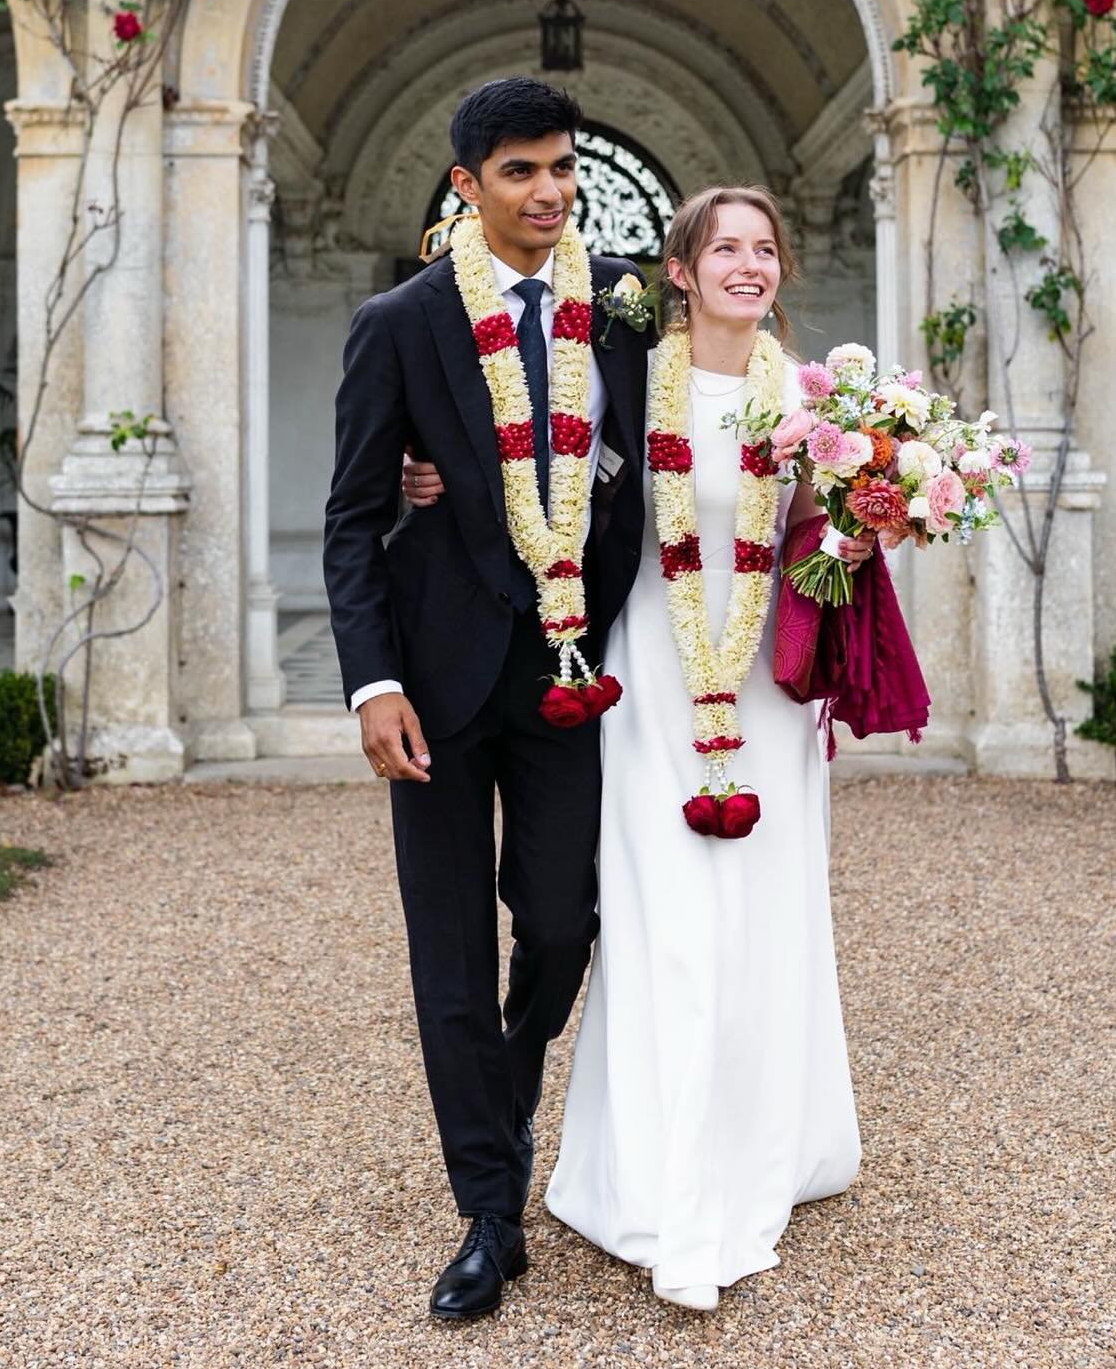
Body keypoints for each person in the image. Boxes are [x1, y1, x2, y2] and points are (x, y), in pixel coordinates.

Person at [403, 186, 870, 1314]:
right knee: (660, 913)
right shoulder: (623, 373)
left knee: (761, 911)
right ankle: (654, 1174)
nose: (748, 266)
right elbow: (522, 427)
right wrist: (428, 472)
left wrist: (863, 529)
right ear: (679, 269)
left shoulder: (819, 403)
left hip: (759, 680)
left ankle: (765, 1142)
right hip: (654, 678)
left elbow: (835, 531)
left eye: (766, 248)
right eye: (726, 248)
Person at [323, 77, 649, 1321]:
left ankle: (501, 1104)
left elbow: (685, 421)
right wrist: (373, 684)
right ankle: (486, 1212)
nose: (549, 190)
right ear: (467, 184)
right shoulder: (400, 322)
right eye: (519, 170)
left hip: (572, 669)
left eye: (561, 166)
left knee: (563, 923)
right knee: (449, 948)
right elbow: (353, 518)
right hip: (438, 678)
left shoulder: (621, 309)